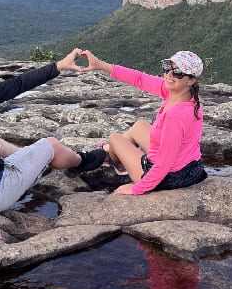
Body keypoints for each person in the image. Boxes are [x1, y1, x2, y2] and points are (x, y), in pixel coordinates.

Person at [0, 48, 105, 238]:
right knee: (50, 144)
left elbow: (18, 84)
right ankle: (84, 161)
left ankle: (38, 166)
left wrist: (59, 65)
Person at [77, 49, 207, 195]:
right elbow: (139, 78)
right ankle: (109, 153)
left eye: (178, 72)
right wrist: (100, 65)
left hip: (170, 177)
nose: (169, 74)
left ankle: (114, 160)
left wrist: (137, 188)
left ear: (191, 80)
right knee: (139, 126)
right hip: (191, 167)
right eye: (167, 67)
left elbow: (164, 163)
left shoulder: (175, 116)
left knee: (115, 139)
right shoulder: (186, 96)